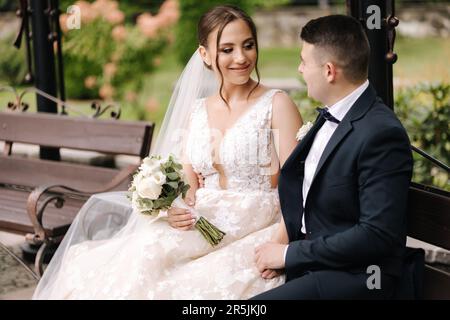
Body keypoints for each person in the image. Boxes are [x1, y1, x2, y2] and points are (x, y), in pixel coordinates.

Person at [32, 5, 302, 299]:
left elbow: (298, 185)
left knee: (192, 286)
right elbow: (189, 184)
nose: (241, 57)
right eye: (227, 49)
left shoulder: (277, 104)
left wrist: (282, 246)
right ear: (205, 55)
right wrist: (176, 209)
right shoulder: (198, 111)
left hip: (256, 224)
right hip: (205, 218)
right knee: (134, 259)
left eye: (248, 45)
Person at [252, 15, 413, 299]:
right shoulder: (335, 114)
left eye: (303, 61)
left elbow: (376, 236)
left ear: (329, 71)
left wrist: (289, 255)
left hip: (357, 276)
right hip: (317, 262)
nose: (300, 70)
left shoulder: (381, 134)